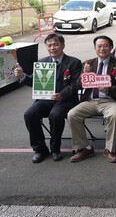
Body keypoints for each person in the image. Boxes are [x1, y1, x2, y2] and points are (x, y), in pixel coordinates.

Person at [15, 33, 81, 163]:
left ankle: (55, 149)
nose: (52, 48)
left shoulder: (74, 62)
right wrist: (22, 76)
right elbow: (34, 81)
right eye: (49, 45)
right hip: (45, 99)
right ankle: (40, 149)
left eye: (55, 44)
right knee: (29, 114)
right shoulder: (42, 62)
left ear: (63, 45)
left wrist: (62, 94)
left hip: (65, 100)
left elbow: (76, 85)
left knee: (55, 115)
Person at [67, 35, 116, 163]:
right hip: (91, 100)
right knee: (72, 114)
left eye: (105, 46)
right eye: (99, 46)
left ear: (111, 47)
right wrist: (84, 74)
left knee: (115, 115)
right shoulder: (89, 64)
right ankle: (85, 148)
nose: (102, 49)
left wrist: (108, 89)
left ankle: (109, 149)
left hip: (110, 101)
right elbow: (78, 85)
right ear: (95, 48)